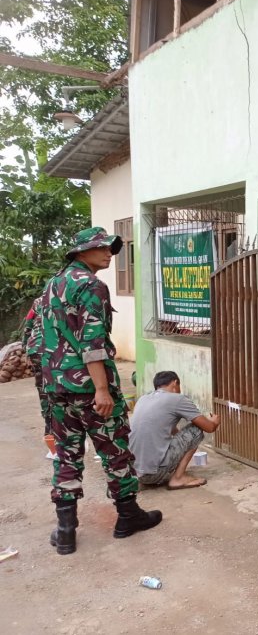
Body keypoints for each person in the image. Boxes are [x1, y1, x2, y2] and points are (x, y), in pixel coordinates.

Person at [39, 227, 162, 555]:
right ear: (81, 251)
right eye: (102, 247)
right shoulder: (92, 286)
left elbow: (38, 338)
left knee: (67, 454)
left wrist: (48, 387)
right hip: (89, 390)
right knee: (115, 451)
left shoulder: (53, 285)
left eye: (112, 247)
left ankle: (65, 531)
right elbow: (93, 343)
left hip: (57, 389)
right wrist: (102, 390)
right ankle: (128, 516)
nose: (110, 253)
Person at [129, 371, 221, 490]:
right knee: (196, 430)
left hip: (135, 473)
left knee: (182, 436)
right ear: (175, 383)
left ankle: (161, 469)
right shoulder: (177, 399)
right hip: (154, 474)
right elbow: (208, 428)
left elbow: (168, 428)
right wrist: (214, 421)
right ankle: (178, 478)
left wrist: (183, 447)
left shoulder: (143, 399)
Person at [22, 296, 54, 459]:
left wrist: (25, 348)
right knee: (59, 392)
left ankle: (49, 434)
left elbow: (28, 325)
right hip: (55, 351)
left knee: (44, 394)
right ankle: (60, 436)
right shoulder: (65, 297)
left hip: (36, 350)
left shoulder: (37, 301)